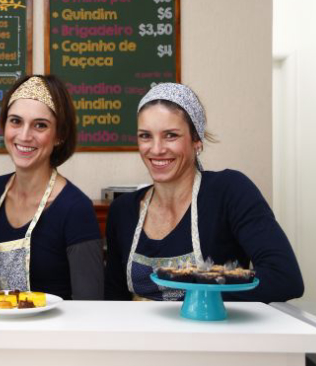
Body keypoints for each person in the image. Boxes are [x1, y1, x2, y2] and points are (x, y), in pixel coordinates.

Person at [104, 82, 304, 302]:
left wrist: (198, 293)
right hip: (141, 335)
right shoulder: (122, 211)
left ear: (196, 140)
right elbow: (115, 298)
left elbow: (285, 278)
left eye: (171, 135)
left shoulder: (229, 191)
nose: (156, 149)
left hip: (212, 332)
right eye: (145, 136)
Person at [0, 75, 103, 300]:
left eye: (40, 125)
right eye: (16, 121)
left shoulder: (75, 208)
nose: (24, 135)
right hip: (0, 329)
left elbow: (89, 307)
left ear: (59, 135)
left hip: (52, 334)